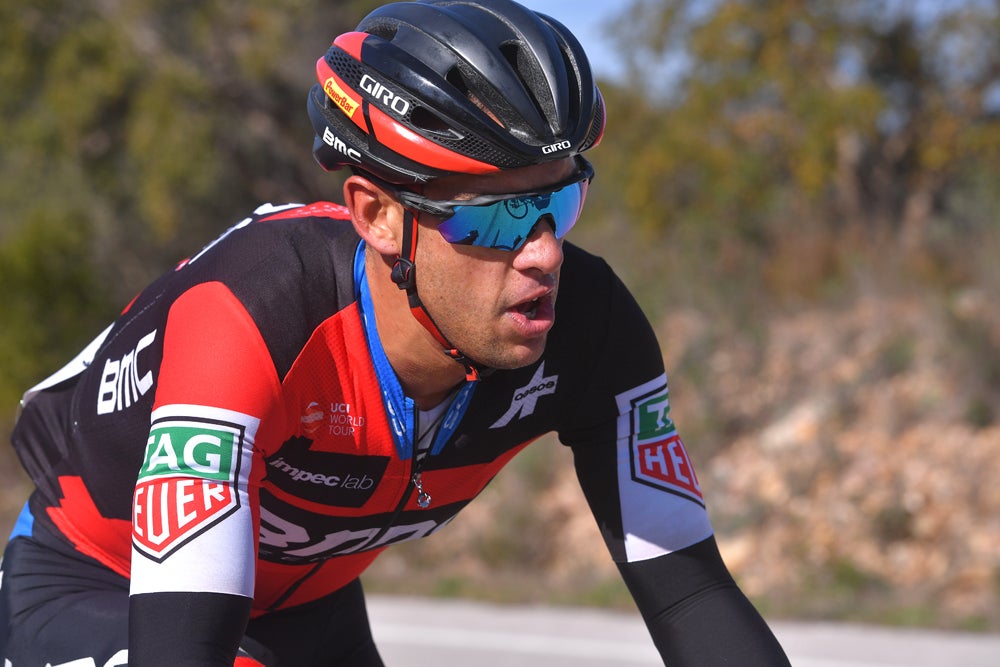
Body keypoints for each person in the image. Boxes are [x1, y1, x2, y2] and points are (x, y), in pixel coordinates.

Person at [0, 0, 791, 664]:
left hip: (310, 604)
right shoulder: (253, 312)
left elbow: (692, 593)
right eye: (500, 213)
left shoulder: (591, 325)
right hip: (101, 582)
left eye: (559, 203)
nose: (544, 252)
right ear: (378, 215)